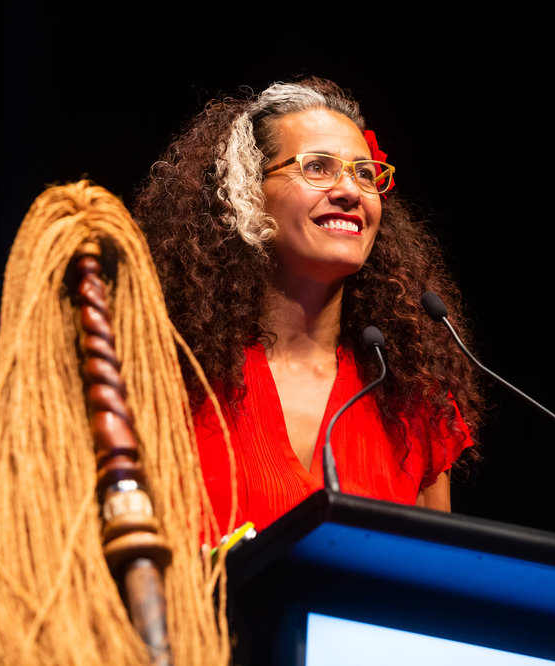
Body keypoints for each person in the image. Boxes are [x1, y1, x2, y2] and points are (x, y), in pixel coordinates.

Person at [131, 77, 482, 535]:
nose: (350, 191)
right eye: (317, 167)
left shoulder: (411, 401)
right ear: (245, 192)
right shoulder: (170, 379)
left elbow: (433, 572)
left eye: (365, 173)